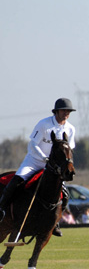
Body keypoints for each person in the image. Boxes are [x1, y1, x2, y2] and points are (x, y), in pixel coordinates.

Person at [0, 98, 76, 237]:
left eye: (68, 111)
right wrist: (43, 158)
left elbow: (69, 149)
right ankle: (2, 209)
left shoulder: (70, 129)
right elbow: (32, 145)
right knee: (17, 180)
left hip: (54, 167)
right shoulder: (44, 124)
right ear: (57, 111)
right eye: (64, 110)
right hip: (34, 161)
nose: (66, 113)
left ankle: (56, 223)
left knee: (65, 194)